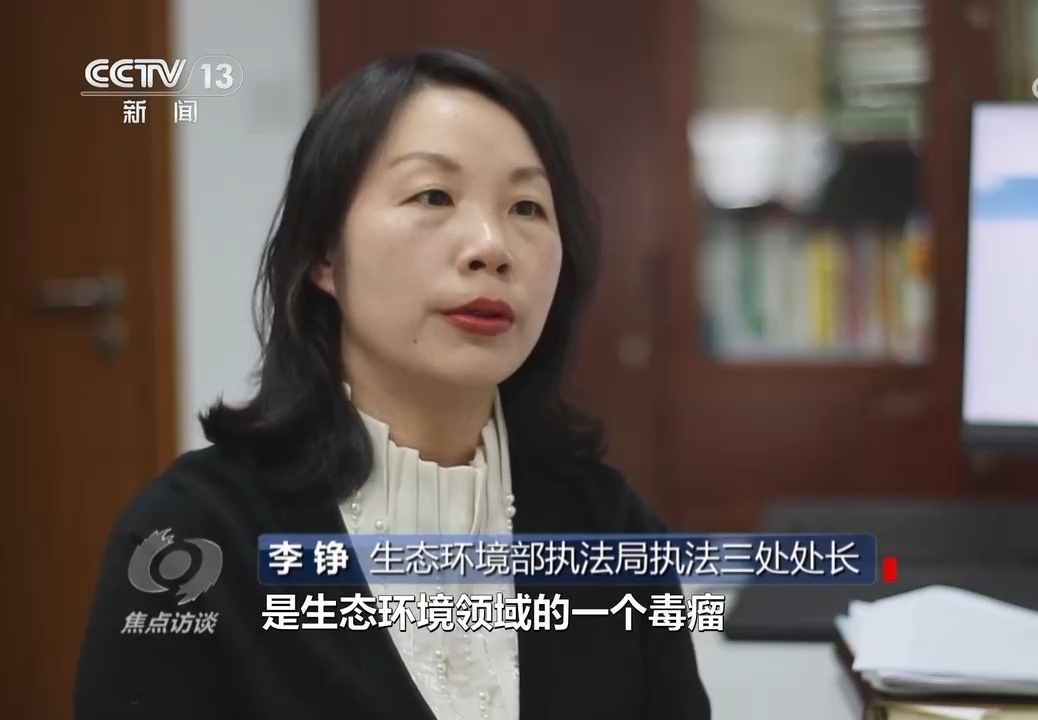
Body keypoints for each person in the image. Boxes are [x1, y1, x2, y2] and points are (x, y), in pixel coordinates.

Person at [74, 49, 710, 720]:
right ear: (324, 255)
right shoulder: (193, 538)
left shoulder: (608, 529)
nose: (491, 247)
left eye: (527, 207)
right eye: (433, 196)